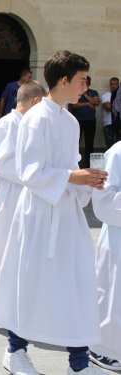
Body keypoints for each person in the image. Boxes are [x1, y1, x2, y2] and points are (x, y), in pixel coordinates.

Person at [0, 50, 108, 375]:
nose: (86, 85)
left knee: (77, 281)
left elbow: (68, 167)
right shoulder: (36, 118)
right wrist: (73, 176)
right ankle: (14, 351)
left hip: (67, 214)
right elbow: (29, 171)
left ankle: (79, 363)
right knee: (32, 280)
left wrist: (87, 182)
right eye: (82, 79)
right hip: (39, 214)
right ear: (64, 80)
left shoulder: (70, 121)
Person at [0, 81, 46, 332]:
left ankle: (13, 304)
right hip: (11, 192)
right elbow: (1, 163)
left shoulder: (32, 124)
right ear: (36, 102)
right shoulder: (7, 123)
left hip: (28, 192)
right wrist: (36, 175)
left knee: (22, 250)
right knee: (2, 247)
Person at [89, 142, 121, 372]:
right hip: (118, 234)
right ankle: (106, 350)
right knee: (114, 297)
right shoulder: (117, 152)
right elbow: (103, 199)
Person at [71, 76, 100, 168]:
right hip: (78, 120)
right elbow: (74, 105)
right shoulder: (76, 91)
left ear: (89, 84)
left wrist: (86, 95)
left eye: (86, 82)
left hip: (90, 121)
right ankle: (75, 165)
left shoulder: (93, 92)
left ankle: (89, 165)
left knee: (89, 143)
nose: (84, 84)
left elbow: (97, 102)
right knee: (76, 142)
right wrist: (88, 103)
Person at [101, 77, 119, 149]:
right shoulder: (105, 95)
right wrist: (117, 105)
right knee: (109, 145)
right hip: (108, 123)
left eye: (115, 84)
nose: (113, 86)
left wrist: (111, 104)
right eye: (111, 84)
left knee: (119, 145)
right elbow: (108, 107)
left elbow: (110, 105)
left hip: (119, 123)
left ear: (118, 85)